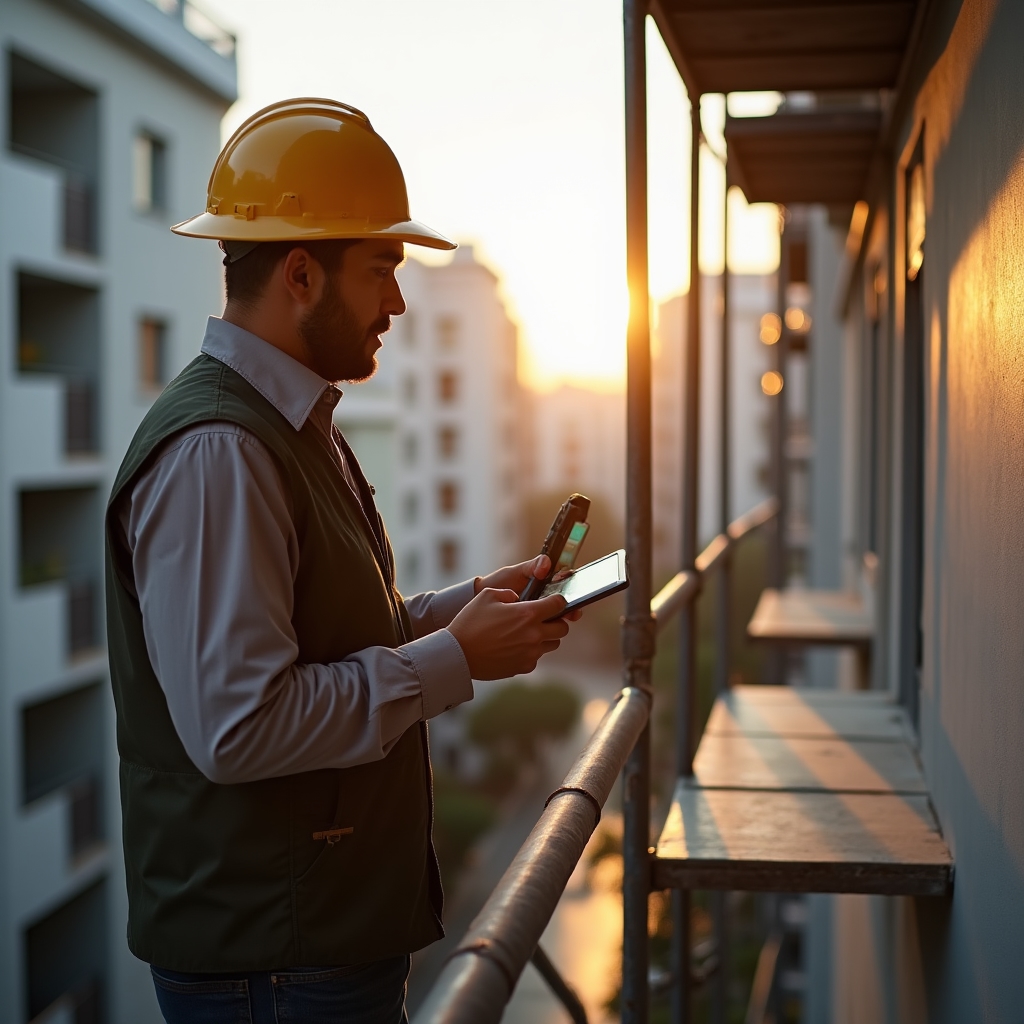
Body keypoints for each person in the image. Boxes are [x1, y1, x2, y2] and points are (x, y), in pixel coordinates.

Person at [105, 98, 578, 1024]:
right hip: (272, 967)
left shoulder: (290, 424)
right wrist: (455, 660)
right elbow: (240, 727)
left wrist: (458, 609)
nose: (398, 303)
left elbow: (321, 636)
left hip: (308, 950)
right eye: (382, 270)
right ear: (299, 274)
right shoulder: (219, 453)